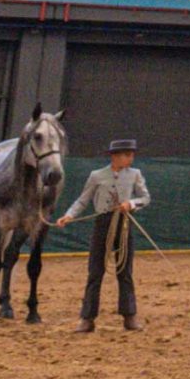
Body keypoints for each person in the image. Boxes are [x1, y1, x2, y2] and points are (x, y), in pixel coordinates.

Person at [57, 137, 150, 333]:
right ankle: (87, 318)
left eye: (131, 155)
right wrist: (68, 215)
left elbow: (145, 198)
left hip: (124, 224)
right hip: (102, 224)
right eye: (127, 155)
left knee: (125, 272)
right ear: (116, 157)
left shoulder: (135, 174)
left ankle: (129, 316)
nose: (131, 158)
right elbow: (83, 200)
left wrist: (131, 204)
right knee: (95, 271)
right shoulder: (97, 176)